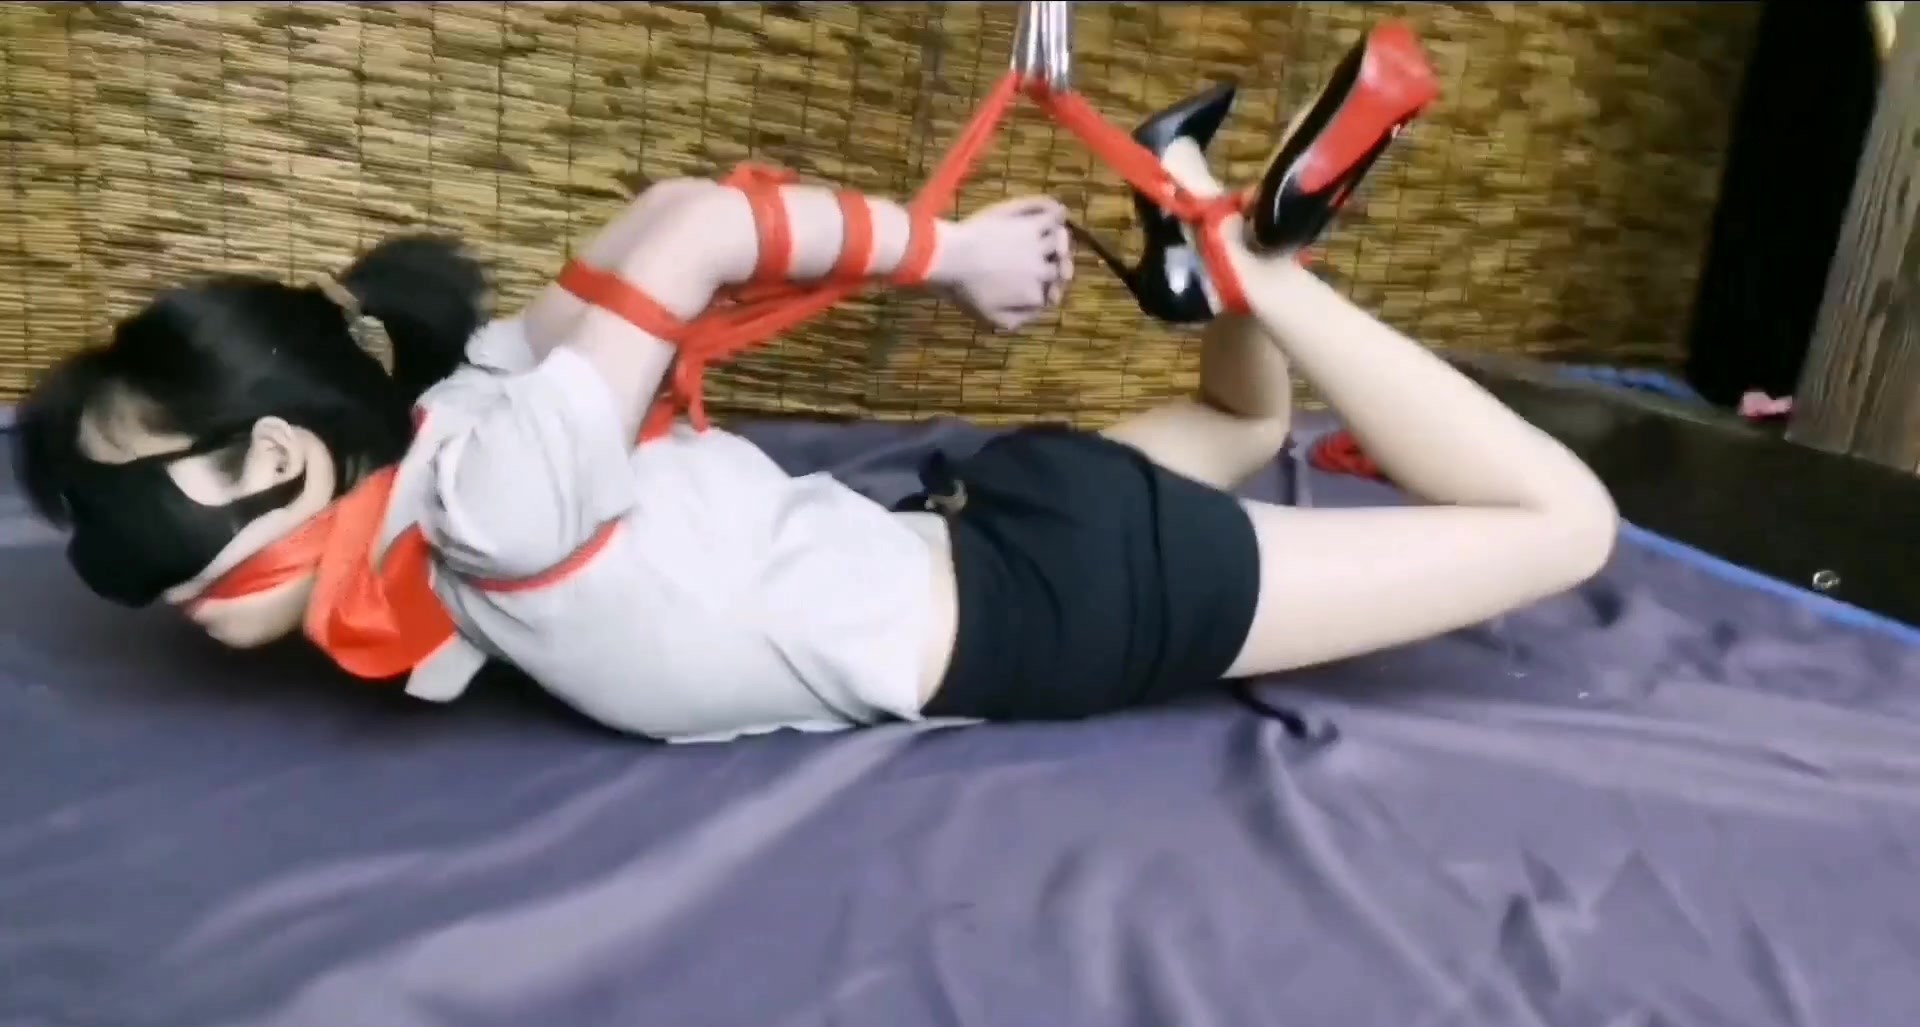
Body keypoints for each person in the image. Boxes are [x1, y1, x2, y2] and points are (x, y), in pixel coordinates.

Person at [8, 28, 1617, 744]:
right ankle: (1232, 227)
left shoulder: (489, 499)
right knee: (1250, 424)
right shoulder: (478, 412)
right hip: (978, 527)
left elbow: (698, 228)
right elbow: (661, 227)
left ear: (278, 457)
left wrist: (955, 253)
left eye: (118, 499)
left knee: (1567, 526)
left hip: (1042, 599)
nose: (111, 561)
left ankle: (1260, 268)